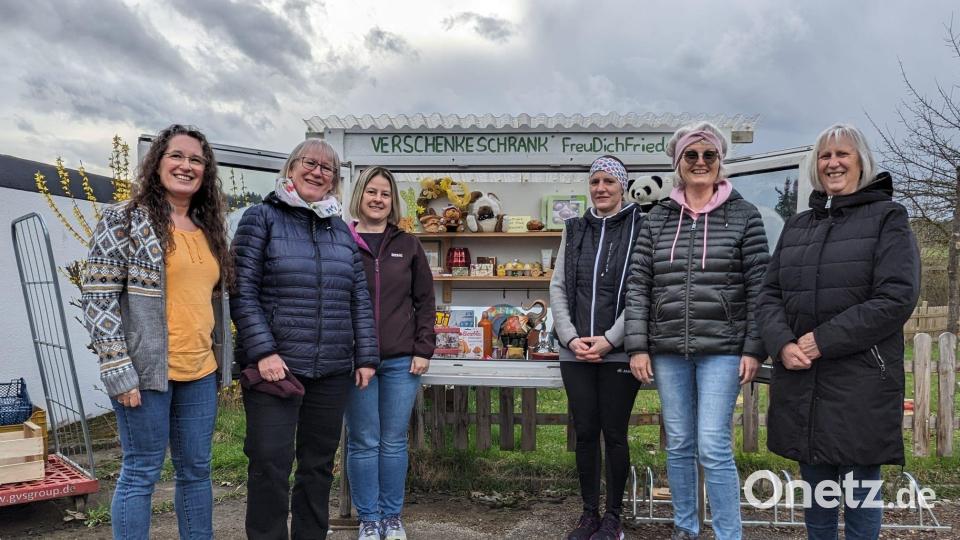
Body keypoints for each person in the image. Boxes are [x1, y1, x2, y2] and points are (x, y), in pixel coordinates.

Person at [756, 124, 920, 540]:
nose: (833, 162)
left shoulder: (888, 218)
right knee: (817, 487)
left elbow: (895, 297)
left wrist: (820, 341)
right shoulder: (798, 226)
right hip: (801, 376)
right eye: (825, 156)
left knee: (860, 490)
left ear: (861, 161)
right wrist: (782, 343)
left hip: (860, 378)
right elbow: (770, 294)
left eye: (843, 154)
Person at [81, 124, 234, 539]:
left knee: (197, 471)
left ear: (206, 171)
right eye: (177, 156)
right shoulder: (124, 219)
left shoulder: (209, 227)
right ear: (157, 163)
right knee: (141, 472)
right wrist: (117, 368)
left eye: (196, 160)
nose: (187, 166)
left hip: (200, 371)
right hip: (145, 374)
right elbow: (97, 298)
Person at [624, 122, 769, 540]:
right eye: (692, 155)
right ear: (678, 163)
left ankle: (728, 533)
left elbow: (760, 285)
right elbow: (639, 285)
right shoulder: (657, 219)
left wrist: (754, 347)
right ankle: (685, 528)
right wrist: (638, 346)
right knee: (680, 444)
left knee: (713, 445)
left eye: (709, 155)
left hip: (723, 349)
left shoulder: (744, 215)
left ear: (721, 162)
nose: (701, 162)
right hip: (668, 349)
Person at [231, 138, 379, 539]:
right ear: (291, 169)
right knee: (270, 464)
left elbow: (358, 299)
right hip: (276, 369)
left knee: (317, 466)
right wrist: (263, 351)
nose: (318, 172)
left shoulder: (341, 232)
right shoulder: (260, 218)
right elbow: (242, 290)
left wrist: (366, 356)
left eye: (327, 168)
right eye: (309, 163)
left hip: (331, 370)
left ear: (334, 181)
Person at [550, 154, 644, 540]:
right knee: (586, 432)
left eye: (609, 181)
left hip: (618, 351)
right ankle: (589, 513)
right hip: (575, 353)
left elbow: (642, 289)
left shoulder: (641, 226)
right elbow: (557, 286)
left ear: (622, 186)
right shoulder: (573, 230)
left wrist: (610, 340)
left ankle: (613, 517)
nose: (601, 188)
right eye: (595, 182)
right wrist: (571, 337)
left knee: (615, 434)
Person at [344, 166, 436, 540]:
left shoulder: (408, 245)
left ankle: (391, 517)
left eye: (384, 193)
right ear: (360, 196)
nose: (378, 199)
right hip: (356, 360)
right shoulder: (343, 240)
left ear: (392, 200)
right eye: (371, 192)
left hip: (401, 360)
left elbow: (425, 300)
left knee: (394, 440)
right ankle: (369, 518)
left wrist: (424, 347)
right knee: (363, 439)